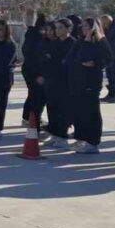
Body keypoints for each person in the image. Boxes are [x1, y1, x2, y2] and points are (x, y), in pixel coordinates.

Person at [66, 18, 111, 154]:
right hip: (77, 81)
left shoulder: (100, 42)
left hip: (91, 82)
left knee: (91, 112)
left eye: (87, 26)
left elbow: (107, 58)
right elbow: (71, 58)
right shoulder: (79, 41)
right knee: (79, 111)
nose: (84, 28)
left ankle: (92, 142)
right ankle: (81, 138)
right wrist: (80, 60)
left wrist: (96, 63)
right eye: (83, 25)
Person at [42, 19, 76, 149]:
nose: (57, 30)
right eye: (56, 28)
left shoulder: (72, 44)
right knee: (52, 108)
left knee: (63, 110)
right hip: (52, 81)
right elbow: (47, 58)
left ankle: (62, 136)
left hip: (65, 82)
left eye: (61, 27)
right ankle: (55, 134)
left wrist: (56, 61)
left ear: (68, 29)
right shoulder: (54, 43)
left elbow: (67, 62)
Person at [21, 14, 48, 132]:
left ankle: (27, 117)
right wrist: (38, 74)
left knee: (32, 94)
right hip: (34, 70)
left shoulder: (30, 35)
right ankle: (33, 120)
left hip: (27, 68)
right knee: (37, 97)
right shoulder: (39, 37)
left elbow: (25, 51)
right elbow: (36, 56)